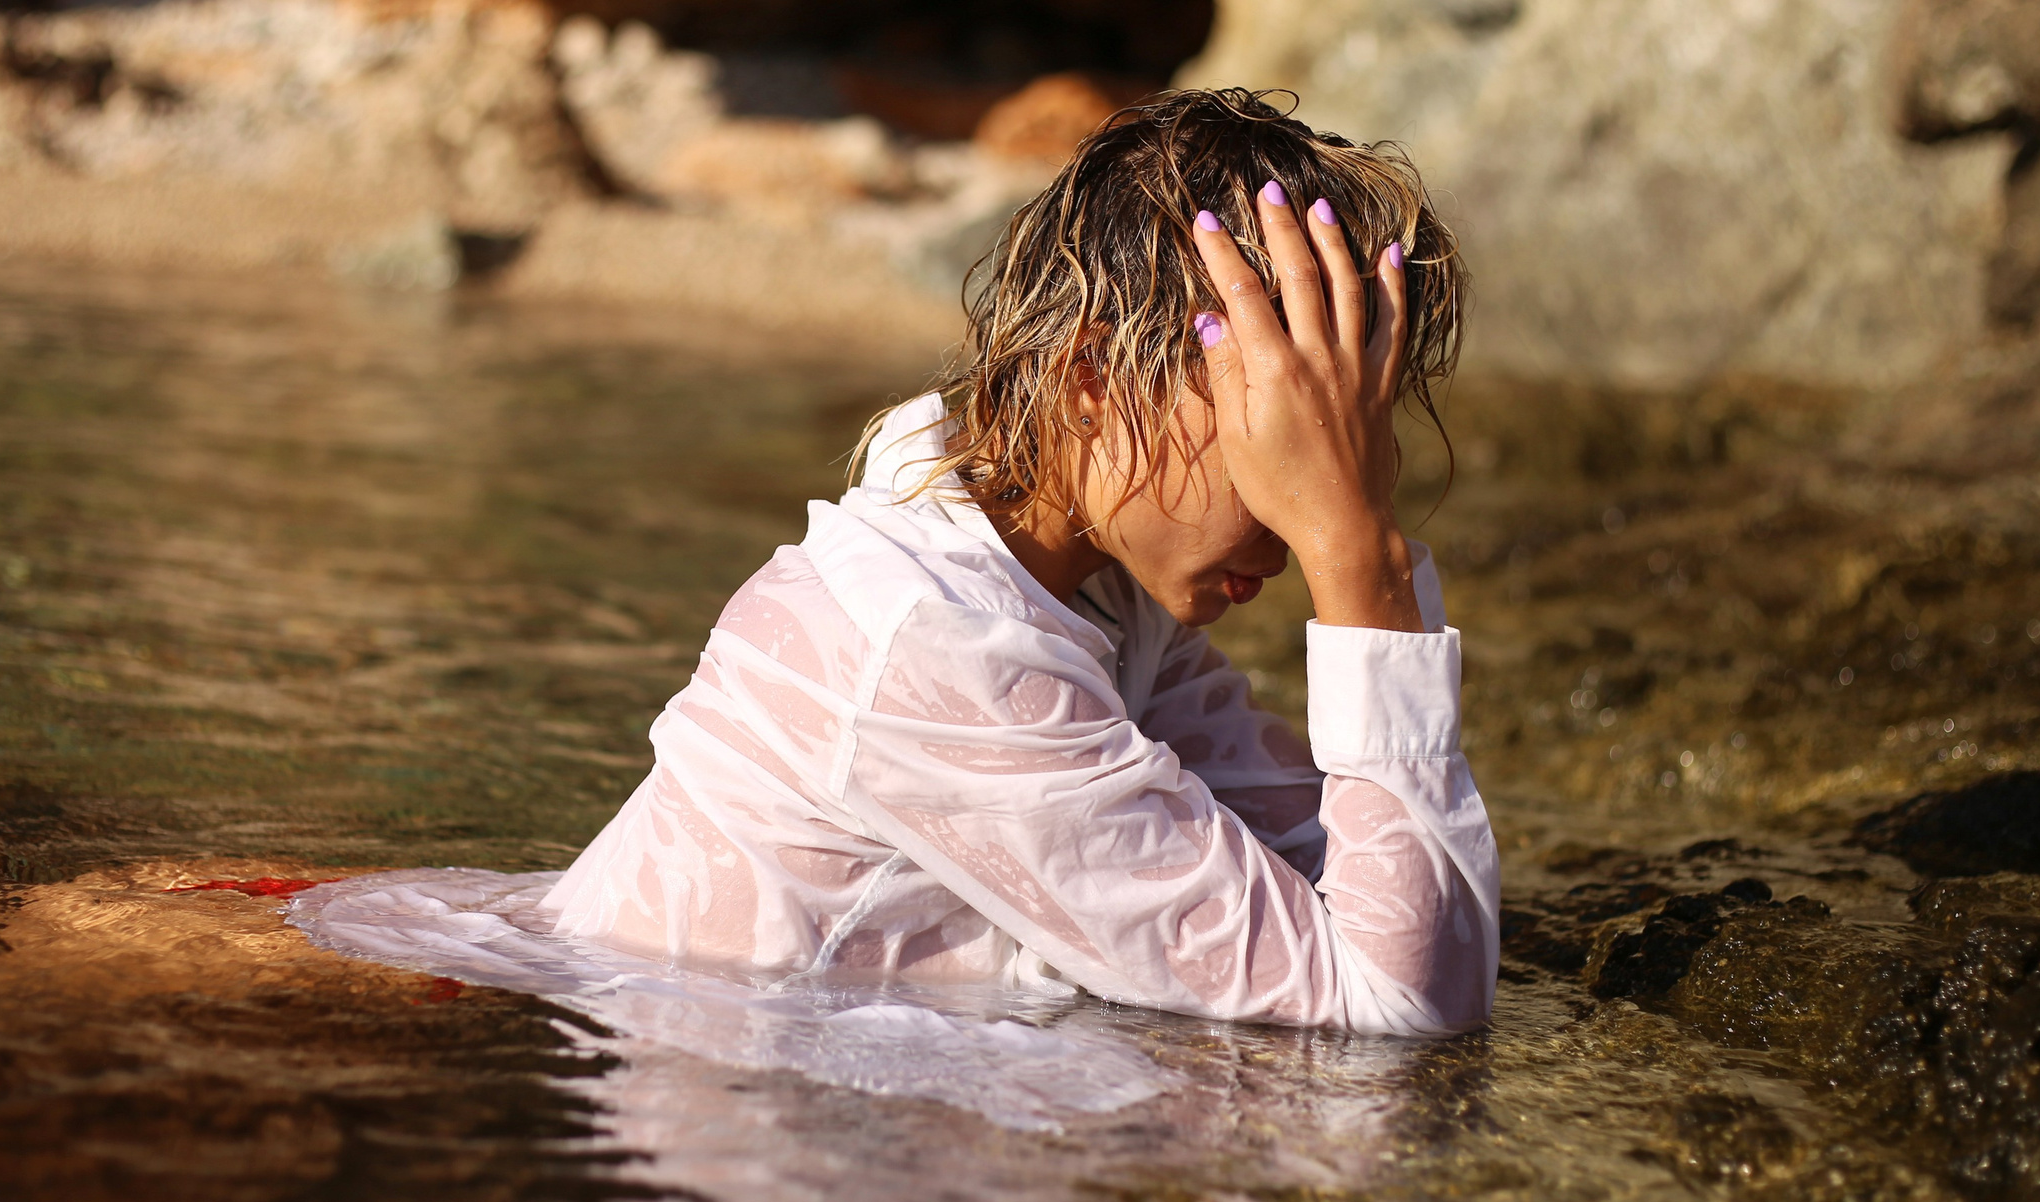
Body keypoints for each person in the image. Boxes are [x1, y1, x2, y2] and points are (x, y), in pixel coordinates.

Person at [545, 88, 1497, 1035]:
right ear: (1093, 382)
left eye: (1341, 442)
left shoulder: (1083, 591)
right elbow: (1402, 997)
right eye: (1285, 440)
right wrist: (1355, 550)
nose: (1306, 505)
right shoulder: (939, 643)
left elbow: (1352, 881)